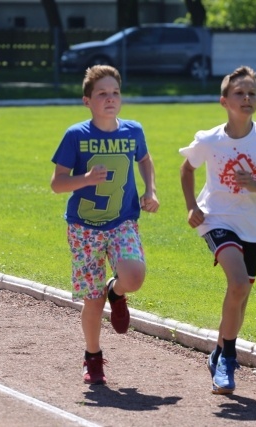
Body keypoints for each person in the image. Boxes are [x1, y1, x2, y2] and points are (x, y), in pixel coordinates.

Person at [179, 65, 256, 394]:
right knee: (239, 283)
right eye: (239, 93)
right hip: (216, 219)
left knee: (240, 298)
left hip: (254, 226)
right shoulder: (209, 139)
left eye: (252, 93)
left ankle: (217, 353)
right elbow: (186, 170)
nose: (247, 98)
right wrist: (192, 206)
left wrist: (255, 184)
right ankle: (229, 360)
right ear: (224, 101)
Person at [50, 65, 159, 385]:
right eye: (102, 94)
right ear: (87, 101)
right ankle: (93, 356)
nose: (110, 99)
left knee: (134, 275)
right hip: (83, 228)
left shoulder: (132, 131)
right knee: (93, 300)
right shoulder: (76, 136)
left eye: (115, 93)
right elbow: (57, 184)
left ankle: (119, 291)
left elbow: (145, 159)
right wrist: (85, 179)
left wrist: (150, 190)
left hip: (122, 221)